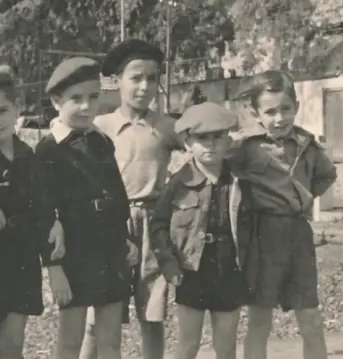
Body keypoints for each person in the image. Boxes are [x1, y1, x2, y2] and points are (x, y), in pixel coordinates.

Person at [80, 39, 183, 359]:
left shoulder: (166, 127)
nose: (144, 86)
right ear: (117, 80)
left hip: (153, 225)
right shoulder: (100, 127)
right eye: (135, 78)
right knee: (98, 317)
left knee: (152, 312)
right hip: (111, 226)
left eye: (152, 79)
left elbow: (205, 143)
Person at [33, 57, 138, 359]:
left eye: (93, 97)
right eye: (75, 99)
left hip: (109, 249)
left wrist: (125, 238)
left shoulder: (101, 141)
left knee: (110, 340)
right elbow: (43, 213)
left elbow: (116, 196)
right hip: (73, 256)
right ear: (56, 101)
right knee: (70, 341)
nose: (86, 106)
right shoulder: (49, 150)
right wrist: (54, 269)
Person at [231, 70, 337, 359]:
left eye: (285, 109)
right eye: (270, 112)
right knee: (260, 320)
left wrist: (300, 198)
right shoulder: (246, 148)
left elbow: (326, 175)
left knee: (311, 320)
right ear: (256, 114)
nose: (279, 118)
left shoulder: (308, 145)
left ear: (297, 108)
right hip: (263, 236)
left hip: (298, 235)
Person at [0, 66, 65, 359]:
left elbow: (40, 203)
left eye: (2, 110)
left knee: (12, 343)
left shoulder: (27, 155)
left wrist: (54, 221)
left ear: (17, 109)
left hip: (22, 259)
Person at [149, 102, 252, 359]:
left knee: (226, 346)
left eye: (218, 136)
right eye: (202, 138)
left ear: (228, 140)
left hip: (229, 268)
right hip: (191, 270)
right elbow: (158, 226)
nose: (210, 144)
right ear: (187, 143)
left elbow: (252, 227)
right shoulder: (178, 182)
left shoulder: (240, 182)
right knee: (188, 345)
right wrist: (169, 265)